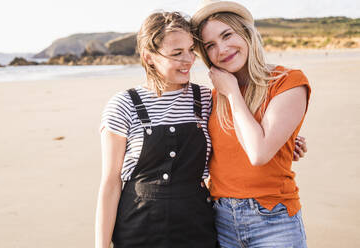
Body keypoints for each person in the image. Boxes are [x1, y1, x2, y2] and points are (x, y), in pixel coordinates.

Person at [191, 1, 311, 247]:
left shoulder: (287, 82)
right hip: (220, 218)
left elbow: (258, 153)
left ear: (246, 33)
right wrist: (288, 143)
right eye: (210, 46)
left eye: (227, 35)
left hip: (273, 220)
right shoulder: (214, 96)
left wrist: (233, 93)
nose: (222, 49)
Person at [94, 11, 218, 248]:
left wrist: (286, 139)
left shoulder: (205, 98)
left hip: (196, 227)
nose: (189, 60)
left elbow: (235, 137)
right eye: (177, 53)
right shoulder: (123, 104)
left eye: (191, 50)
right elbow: (110, 183)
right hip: (137, 229)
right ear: (149, 57)